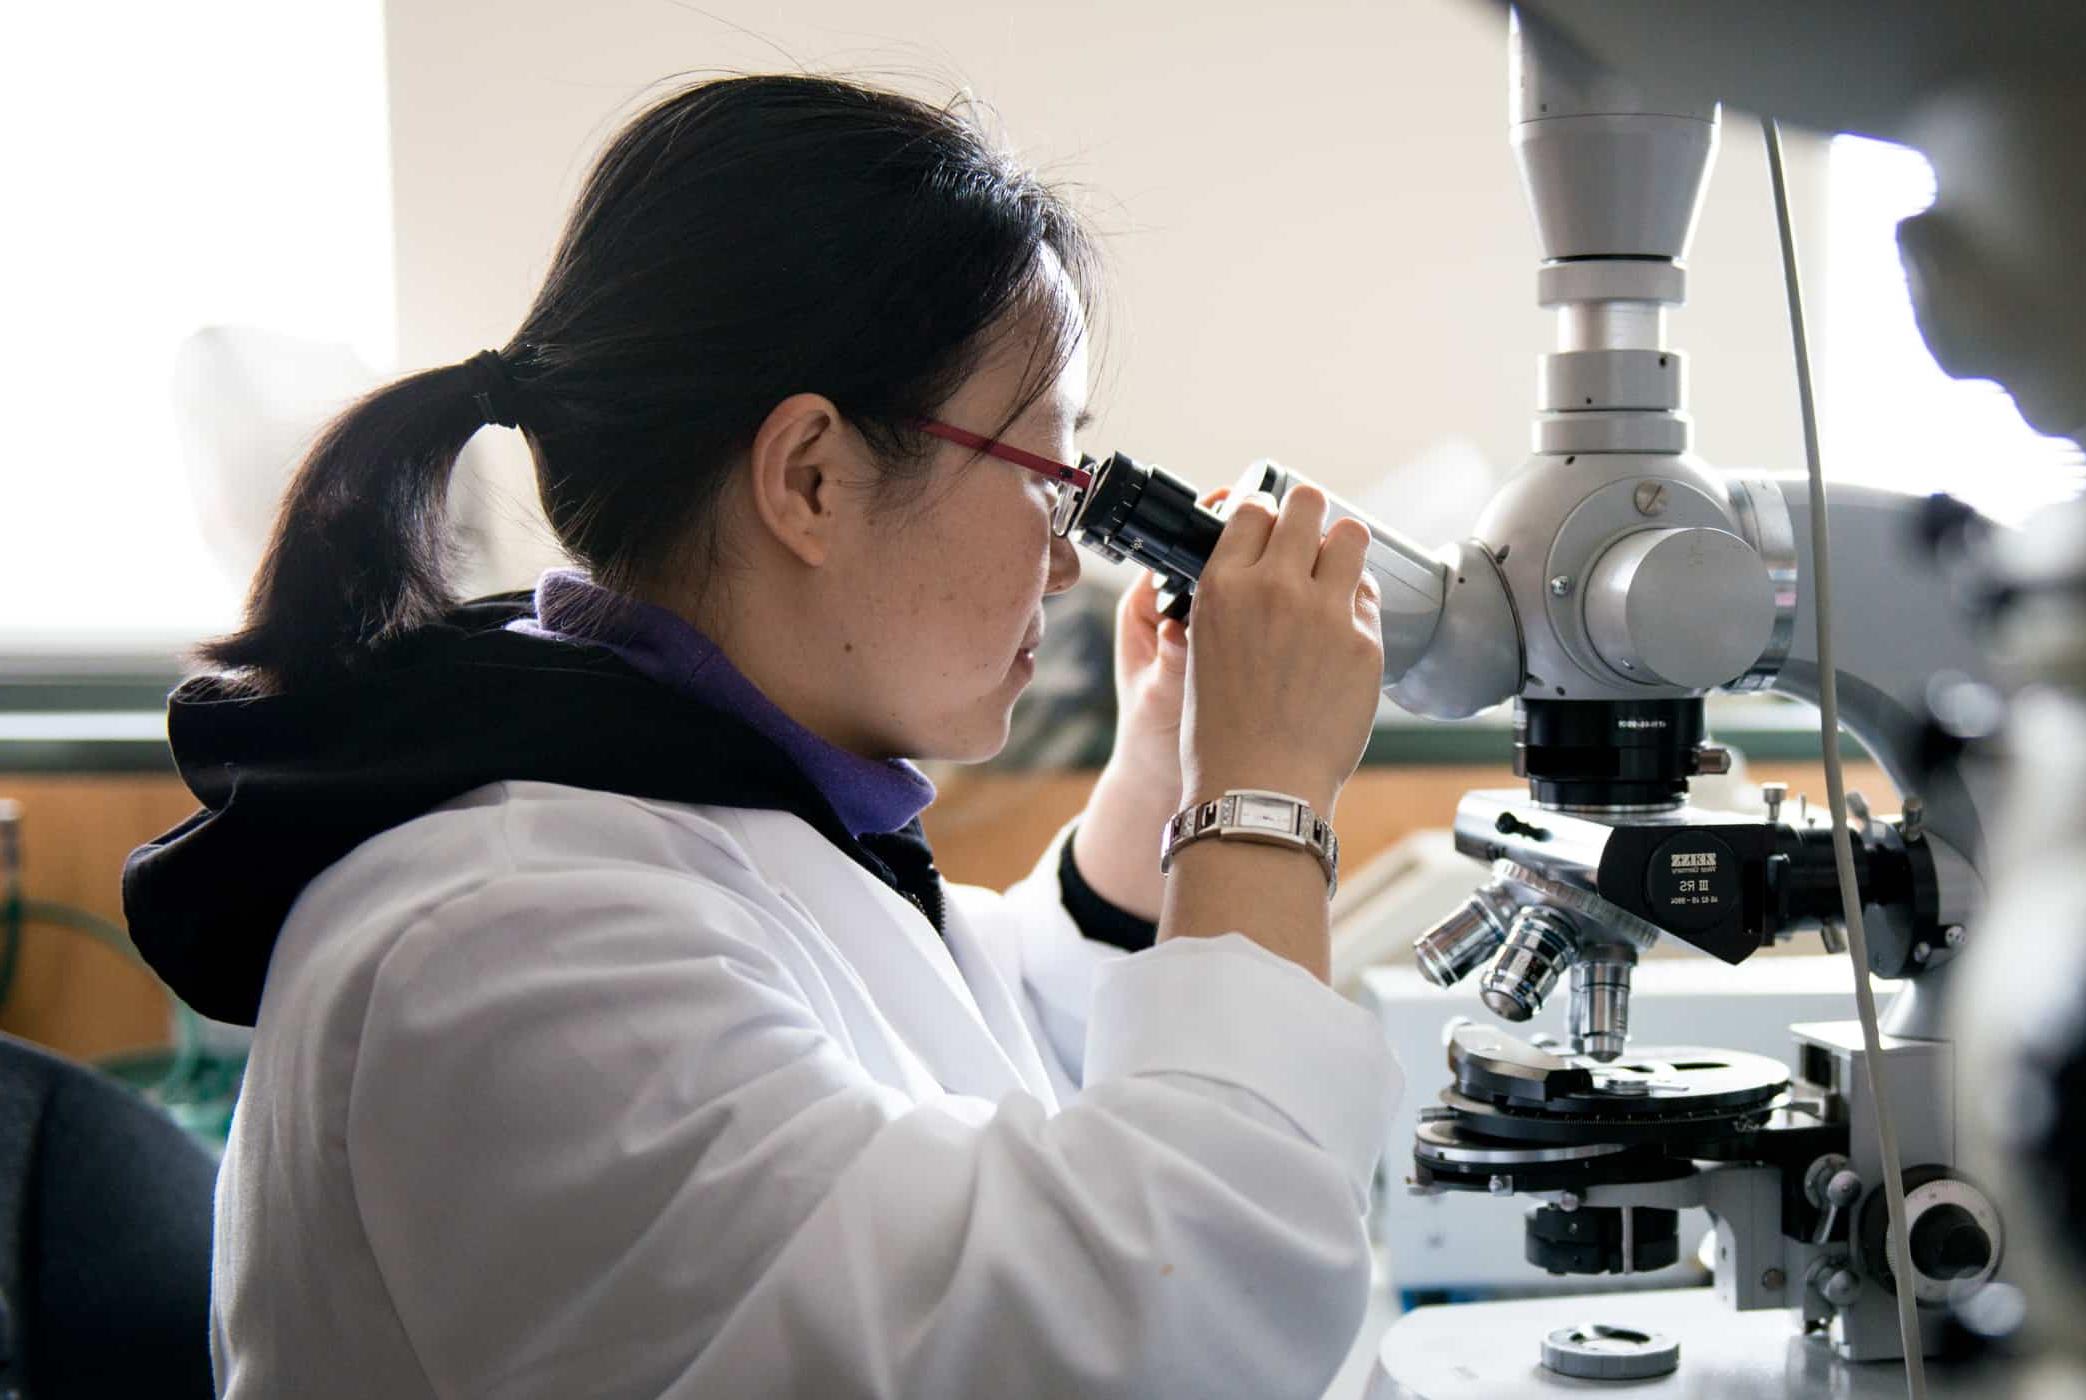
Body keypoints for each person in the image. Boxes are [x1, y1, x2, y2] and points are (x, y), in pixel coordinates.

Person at [121, 74, 1399, 1399]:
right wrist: (1261, 796)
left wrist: (1162, 776)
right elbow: (1138, 1321)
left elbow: (962, 1044)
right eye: (1051, 475)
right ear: (811, 479)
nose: (1068, 561)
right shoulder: (517, 946)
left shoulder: (684, 792)